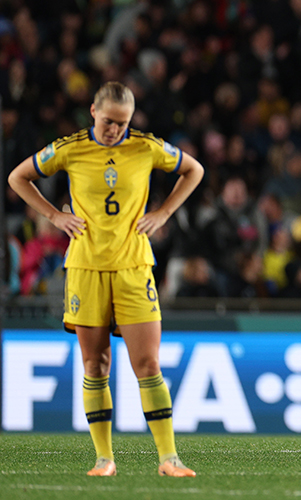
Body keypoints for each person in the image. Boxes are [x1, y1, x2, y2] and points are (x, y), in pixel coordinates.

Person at [7, 82, 204, 477]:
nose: (116, 130)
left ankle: (169, 459)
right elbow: (17, 177)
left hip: (134, 266)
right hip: (85, 267)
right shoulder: (70, 148)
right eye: (110, 121)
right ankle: (104, 459)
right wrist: (54, 216)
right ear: (94, 111)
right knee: (95, 365)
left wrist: (163, 213)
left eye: (124, 123)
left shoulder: (146, 147)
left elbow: (193, 170)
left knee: (148, 364)